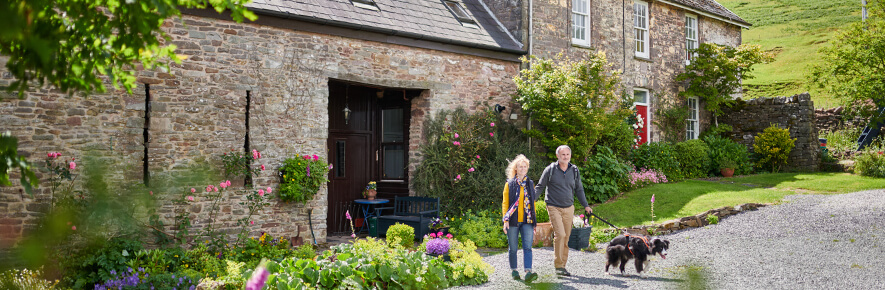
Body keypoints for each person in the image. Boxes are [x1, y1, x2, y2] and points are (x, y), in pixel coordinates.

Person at [534, 145, 592, 277]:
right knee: (560, 234)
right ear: (557, 156)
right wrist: (532, 200)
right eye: (562, 155)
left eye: (567, 154)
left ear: (570, 156)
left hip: (569, 207)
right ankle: (558, 266)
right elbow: (540, 186)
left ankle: (562, 266)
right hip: (553, 206)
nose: (565, 157)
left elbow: (579, 189)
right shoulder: (550, 170)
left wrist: (586, 205)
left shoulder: (574, 170)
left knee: (566, 236)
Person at [501, 154, 539, 282]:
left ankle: (528, 272)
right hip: (512, 220)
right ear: (516, 168)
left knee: (527, 247)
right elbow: (505, 203)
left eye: (525, 166)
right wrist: (505, 220)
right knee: (513, 248)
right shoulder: (509, 184)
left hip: (527, 220)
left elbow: (532, 203)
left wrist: (534, 221)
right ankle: (514, 270)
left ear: (527, 168)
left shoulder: (530, 183)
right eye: (520, 167)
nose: (522, 169)